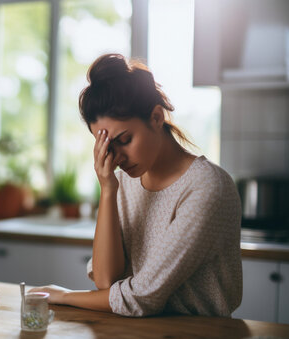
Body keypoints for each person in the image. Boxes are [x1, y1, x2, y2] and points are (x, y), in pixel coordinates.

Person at [30, 54, 242, 317]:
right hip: (131, 336)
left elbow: (141, 297)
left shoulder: (206, 187)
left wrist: (64, 296)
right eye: (108, 147)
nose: (117, 158)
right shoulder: (122, 183)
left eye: (125, 139)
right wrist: (107, 190)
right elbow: (106, 281)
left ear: (155, 117)